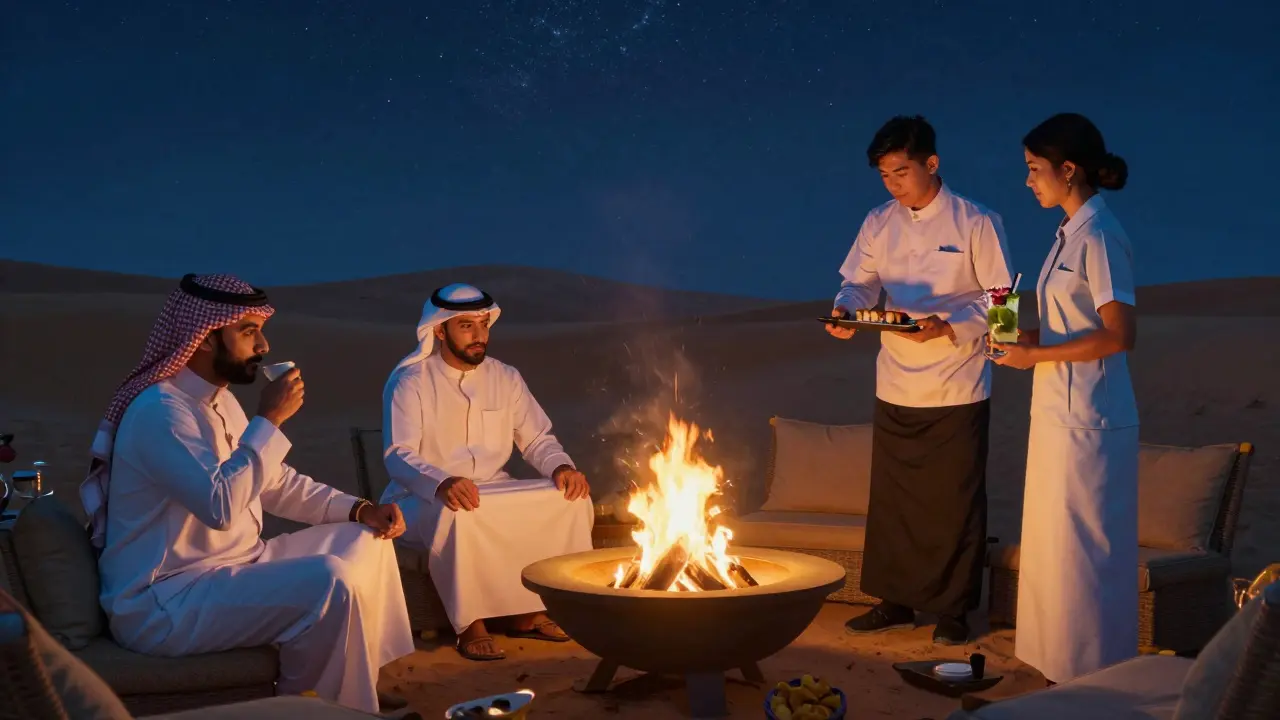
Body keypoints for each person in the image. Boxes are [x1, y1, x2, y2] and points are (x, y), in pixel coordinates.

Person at [81, 273, 416, 713]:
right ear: (202, 338)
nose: (264, 346)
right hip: (168, 600)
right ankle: (313, 709)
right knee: (328, 583)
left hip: (235, 566)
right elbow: (218, 505)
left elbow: (273, 481)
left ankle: (357, 684)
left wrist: (359, 509)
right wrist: (270, 421)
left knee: (365, 540)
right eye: (248, 331)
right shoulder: (160, 413)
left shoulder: (220, 401)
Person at [827, 115, 1014, 644]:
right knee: (895, 499)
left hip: (958, 379)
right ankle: (895, 602)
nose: (893, 184)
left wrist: (951, 326)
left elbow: (1003, 304)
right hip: (895, 379)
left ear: (932, 164)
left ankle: (954, 610)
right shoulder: (877, 222)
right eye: (885, 175)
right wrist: (845, 311)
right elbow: (857, 284)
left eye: (902, 172)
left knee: (952, 499)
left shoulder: (977, 221)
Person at [991, 113, 1139, 684]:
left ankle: (1093, 682)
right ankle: (1057, 678)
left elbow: (1119, 335)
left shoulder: (1100, 236)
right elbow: (1067, 324)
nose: (1028, 181)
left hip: (1091, 421)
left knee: (1085, 558)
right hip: (1056, 414)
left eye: (1034, 170)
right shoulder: (1067, 233)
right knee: (1056, 554)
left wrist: (1037, 357)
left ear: (1068, 169)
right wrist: (1024, 340)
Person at [381, 283, 594, 662]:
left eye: (484, 324)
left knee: (570, 500)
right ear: (439, 330)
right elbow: (399, 455)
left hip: (495, 491)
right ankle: (470, 624)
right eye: (466, 326)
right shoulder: (409, 381)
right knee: (460, 511)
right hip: (422, 497)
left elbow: (536, 438)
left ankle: (533, 610)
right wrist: (442, 482)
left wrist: (561, 466)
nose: (479, 336)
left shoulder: (505, 377)